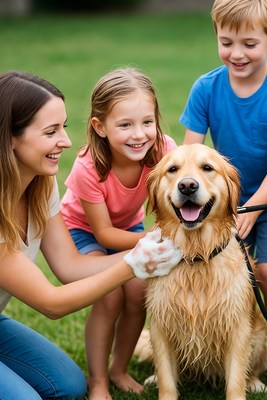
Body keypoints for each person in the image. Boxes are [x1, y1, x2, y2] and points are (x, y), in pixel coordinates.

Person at [0, 70, 181, 400]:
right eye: (51, 131)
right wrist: (134, 262)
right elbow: (51, 304)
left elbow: (70, 266)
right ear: (10, 137)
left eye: (64, 127)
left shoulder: (40, 182)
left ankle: (115, 371)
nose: (68, 141)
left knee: (67, 386)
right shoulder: (85, 169)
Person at [180, 0, 267, 390]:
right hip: (221, 203)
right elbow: (190, 157)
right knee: (208, 271)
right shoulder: (205, 88)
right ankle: (202, 352)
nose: (237, 54)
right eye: (227, 42)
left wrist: (250, 208)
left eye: (249, 43)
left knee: (266, 273)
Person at [60, 67, 177, 399]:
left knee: (138, 291)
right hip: (83, 232)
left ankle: (119, 369)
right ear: (100, 127)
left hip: (131, 227)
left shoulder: (163, 150)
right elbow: (105, 234)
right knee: (109, 296)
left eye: (147, 122)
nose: (139, 134)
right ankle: (97, 380)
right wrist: (153, 237)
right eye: (125, 125)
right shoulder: (88, 167)